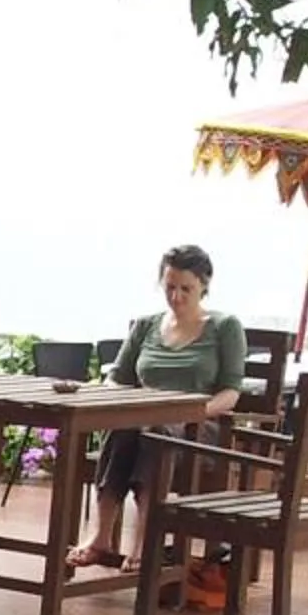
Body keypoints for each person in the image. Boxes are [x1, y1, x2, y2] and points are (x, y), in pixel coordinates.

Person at [67, 244, 249, 571]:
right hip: (145, 419)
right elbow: (117, 378)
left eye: (186, 289)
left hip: (198, 427)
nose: (176, 297)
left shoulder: (224, 327)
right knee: (125, 430)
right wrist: (123, 404)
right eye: (170, 287)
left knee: (155, 433)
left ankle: (144, 541)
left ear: (204, 285)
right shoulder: (146, 325)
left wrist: (192, 412)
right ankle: (101, 536)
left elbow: (230, 392)